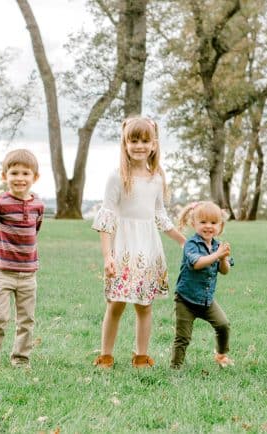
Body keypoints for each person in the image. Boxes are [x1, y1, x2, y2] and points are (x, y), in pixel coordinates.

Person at [91, 116, 186, 369]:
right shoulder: (117, 177)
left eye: (145, 141)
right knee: (116, 304)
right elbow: (107, 218)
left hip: (147, 247)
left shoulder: (157, 178)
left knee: (144, 305)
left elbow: (159, 215)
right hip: (122, 247)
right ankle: (106, 354)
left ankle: (141, 355)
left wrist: (182, 241)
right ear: (125, 143)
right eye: (134, 140)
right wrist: (107, 255)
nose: (139, 146)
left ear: (154, 144)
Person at [0, 149, 44, 375]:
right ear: (4, 175)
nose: (19, 178)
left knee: (26, 320)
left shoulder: (38, 206)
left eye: (25, 173)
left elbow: (35, 231)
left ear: (34, 177)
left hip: (28, 274)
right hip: (2, 272)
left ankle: (21, 359)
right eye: (14, 172)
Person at [170, 201, 234, 370]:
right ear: (194, 223)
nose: (208, 227)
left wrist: (223, 258)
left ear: (220, 226)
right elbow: (197, 263)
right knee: (183, 337)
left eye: (213, 223)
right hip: (186, 300)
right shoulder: (191, 244)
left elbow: (225, 271)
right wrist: (217, 254)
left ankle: (221, 355)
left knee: (223, 325)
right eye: (203, 222)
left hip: (206, 300)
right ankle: (176, 367)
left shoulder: (217, 246)